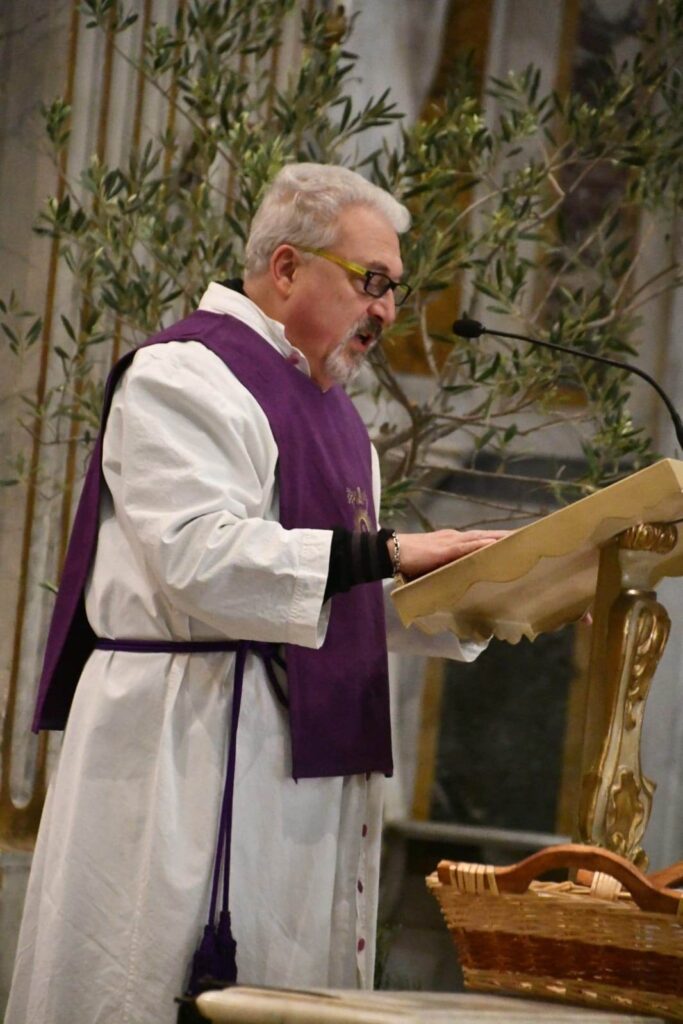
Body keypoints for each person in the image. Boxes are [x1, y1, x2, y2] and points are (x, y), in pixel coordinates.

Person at [6, 163, 505, 1024]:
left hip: (297, 762)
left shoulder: (340, 418)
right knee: (149, 977)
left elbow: (325, 599)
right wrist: (387, 551)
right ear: (285, 267)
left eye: (394, 287)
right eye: (372, 281)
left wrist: (483, 596)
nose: (388, 309)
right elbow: (200, 558)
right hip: (186, 740)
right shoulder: (184, 376)